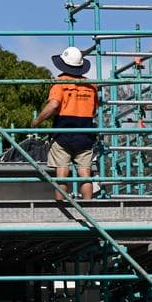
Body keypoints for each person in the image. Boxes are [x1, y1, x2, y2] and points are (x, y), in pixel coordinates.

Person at [34, 46, 98, 201]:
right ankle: (89, 207)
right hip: (85, 132)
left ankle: (61, 206)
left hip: (63, 132)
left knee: (62, 172)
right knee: (85, 173)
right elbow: (94, 109)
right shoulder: (91, 85)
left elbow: (54, 105)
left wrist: (36, 121)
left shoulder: (59, 82)